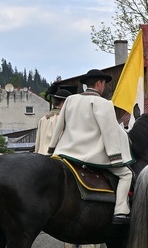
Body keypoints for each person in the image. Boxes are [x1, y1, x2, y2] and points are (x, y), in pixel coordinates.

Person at [47, 69, 134, 224]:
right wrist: (115, 158)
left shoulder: (70, 100)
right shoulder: (104, 103)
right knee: (126, 174)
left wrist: (51, 150)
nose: (105, 87)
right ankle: (120, 210)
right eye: (104, 84)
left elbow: (59, 126)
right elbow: (109, 131)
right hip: (91, 154)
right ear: (99, 83)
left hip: (66, 152)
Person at [34, 89, 71, 154]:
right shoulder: (64, 119)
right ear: (64, 102)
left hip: (40, 157)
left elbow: (38, 142)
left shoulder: (43, 119)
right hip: (54, 159)